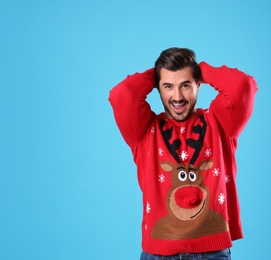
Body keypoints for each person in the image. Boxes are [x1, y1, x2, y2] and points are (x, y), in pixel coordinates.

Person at [108, 48, 257, 260]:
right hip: (159, 254)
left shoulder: (220, 122)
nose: (177, 97)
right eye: (168, 86)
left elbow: (243, 85)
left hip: (212, 254)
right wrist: (157, 73)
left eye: (185, 85)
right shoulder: (142, 129)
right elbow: (120, 94)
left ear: (198, 84)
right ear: (157, 89)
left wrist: (202, 69)